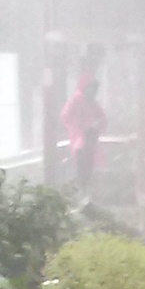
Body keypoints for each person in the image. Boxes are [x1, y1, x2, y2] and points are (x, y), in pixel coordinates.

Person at [60, 60, 106, 196]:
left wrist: (97, 126)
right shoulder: (76, 100)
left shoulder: (92, 102)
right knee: (82, 165)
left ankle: (85, 192)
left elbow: (102, 117)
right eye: (90, 87)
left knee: (89, 165)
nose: (92, 91)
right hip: (80, 139)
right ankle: (81, 191)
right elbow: (65, 116)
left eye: (94, 88)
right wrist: (78, 125)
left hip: (90, 137)